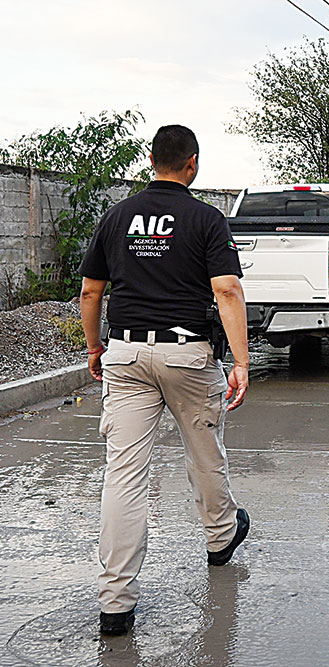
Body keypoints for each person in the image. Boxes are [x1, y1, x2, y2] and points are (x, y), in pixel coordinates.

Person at [78, 125, 251, 637]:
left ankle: (115, 603)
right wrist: (240, 361)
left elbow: (91, 292)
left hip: (126, 353)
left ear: (151, 160)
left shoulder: (118, 214)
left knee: (124, 474)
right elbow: (228, 290)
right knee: (204, 451)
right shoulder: (205, 218)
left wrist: (95, 347)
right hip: (187, 354)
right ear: (192, 164)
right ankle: (220, 538)